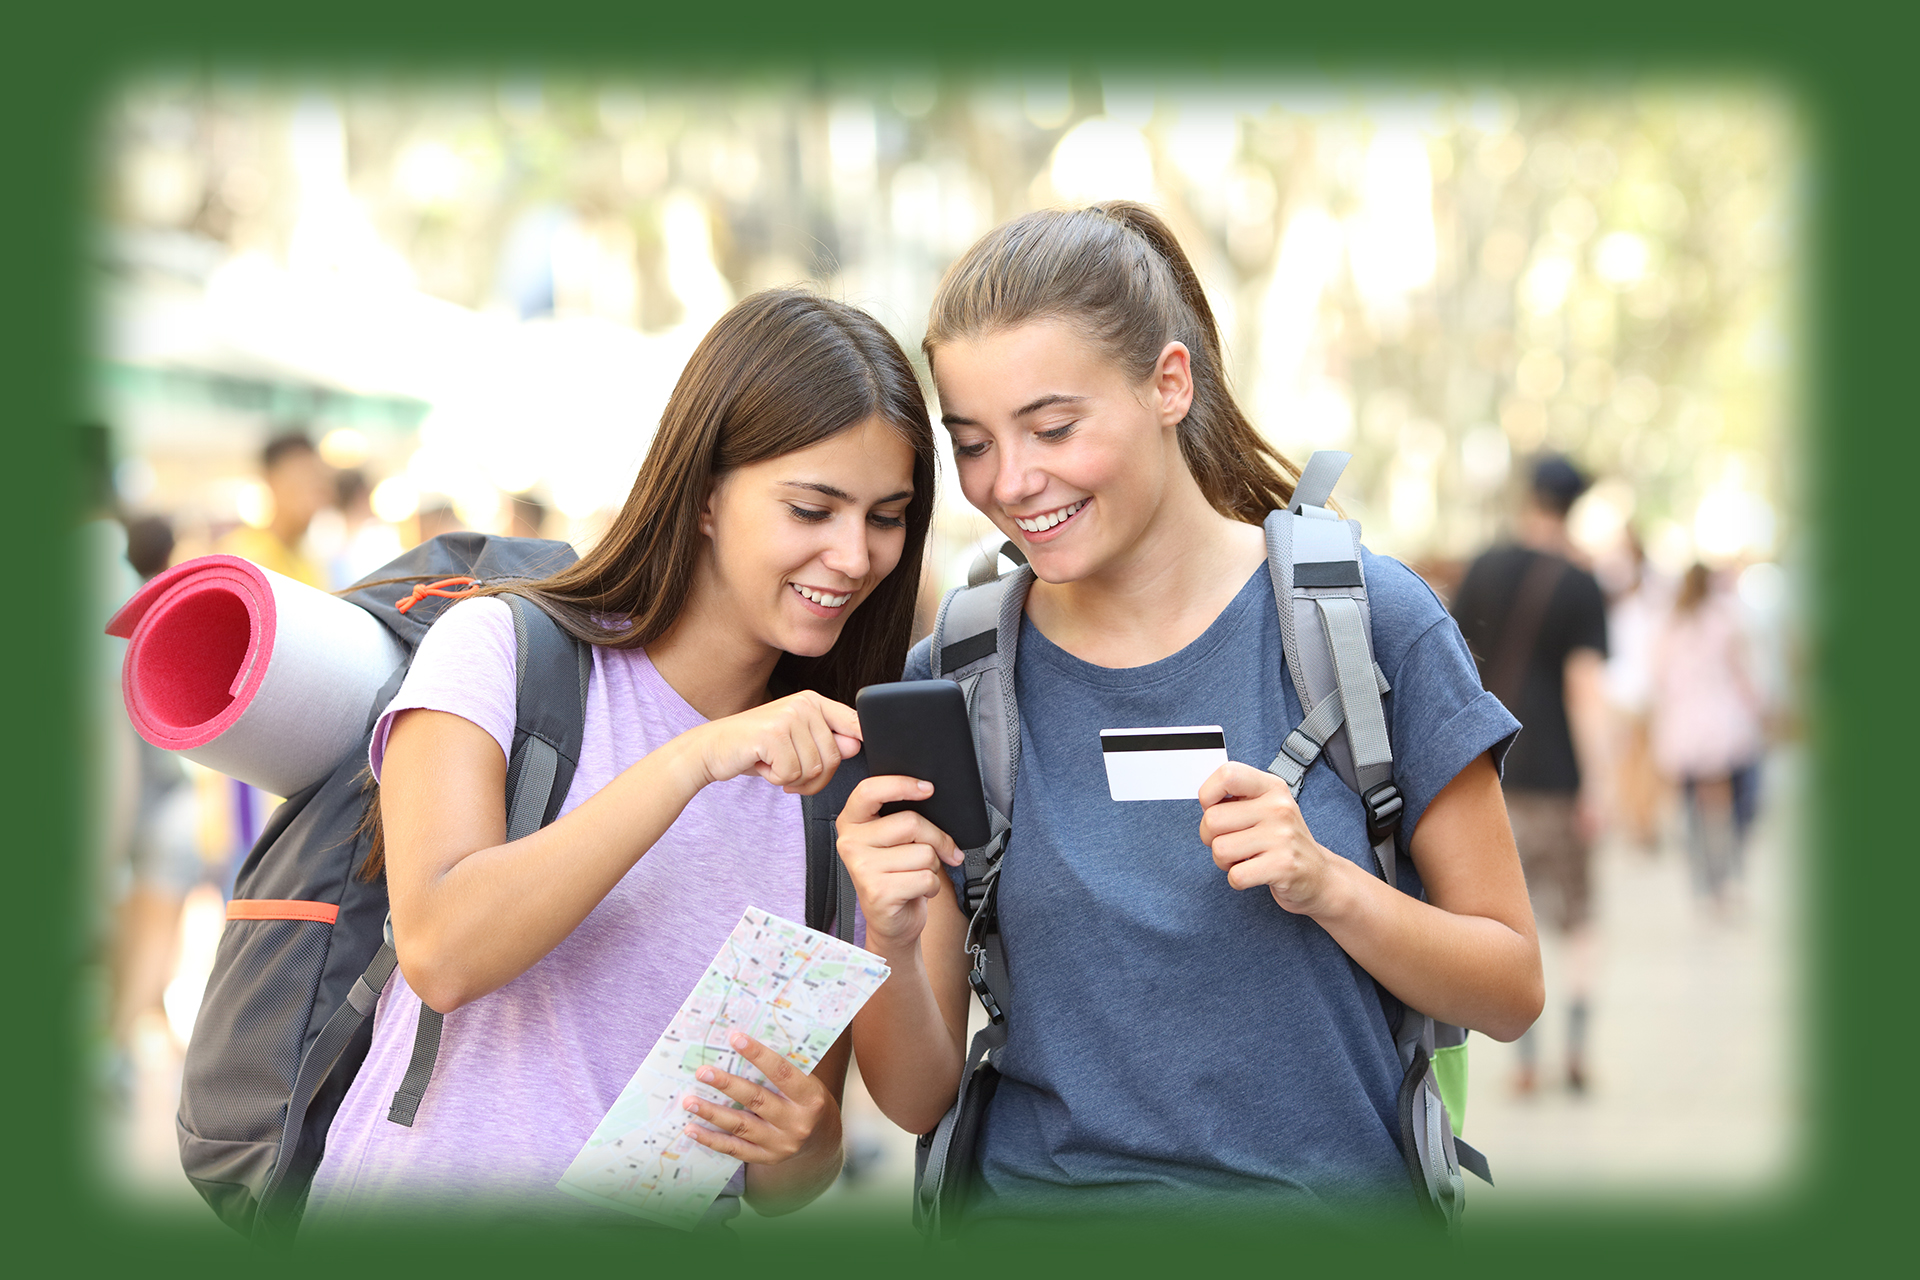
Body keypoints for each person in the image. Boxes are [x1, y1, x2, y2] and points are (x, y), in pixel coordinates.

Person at [835, 203, 1541, 1228]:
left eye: (1054, 426)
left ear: (1171, 382)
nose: (1012, 482)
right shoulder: (954, 679)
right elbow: (914, 1095)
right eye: (975, 442)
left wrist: (1328, 885)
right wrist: (889, 940)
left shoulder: (1370, 625)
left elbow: (1511, 985)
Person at [302, 289, 937, 1229]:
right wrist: (695, 758)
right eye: (813, 507)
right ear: (707, 493)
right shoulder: (503, 651)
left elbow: (798, 1174)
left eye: (887, 517)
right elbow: (440, 949)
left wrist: (797, 1137)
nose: (853, 555)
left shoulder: (835, 776)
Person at [1450, 455, 1610, 1096]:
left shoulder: (1482, 567)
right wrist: (1598, 783)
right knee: (1579, 918)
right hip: (1558, 781)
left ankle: (1523, 1063)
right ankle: (1574, 1050)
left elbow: (1454, 674)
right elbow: (1585, 689)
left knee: (1509, 921)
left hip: (1486, 777)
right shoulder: (1580, 583)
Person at [1650, 563, 1765, 918]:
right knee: (1722, 810)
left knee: (1692, 809)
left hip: (1684, 724)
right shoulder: (1722, 620)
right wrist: (1758, 708)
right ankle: (1726, 882)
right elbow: (1740, 669)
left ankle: (1702, 886)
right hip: (1719, 723)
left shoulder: (1671, 624)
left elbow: (1658, 676)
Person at [218, 431, 335, 588]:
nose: (314, 493)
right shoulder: (245, 556)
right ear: (271, 480)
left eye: (316, 479)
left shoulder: (310, 563)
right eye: (300, 479)